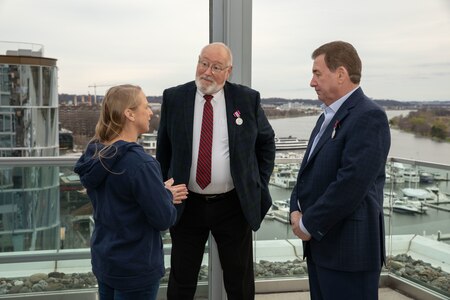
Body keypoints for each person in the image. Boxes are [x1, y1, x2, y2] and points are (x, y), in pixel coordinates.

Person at [156, 42, 276, 299]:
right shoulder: (174, 98)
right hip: (187, 204)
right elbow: (163, 151)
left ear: (228, 71)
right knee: (181, 278)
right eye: (203, 63)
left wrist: (257, 183)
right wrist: (167, 188)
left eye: (216, 67)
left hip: (233, 205)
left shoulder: (247, 99)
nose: (207, 71)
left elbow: (266, 144)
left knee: (239, 280)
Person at [289, 41, 391, 300]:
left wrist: (308, 224)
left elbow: (351, 184)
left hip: (349, 253)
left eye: (317, 73)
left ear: (341, 74)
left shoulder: (369, 117)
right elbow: (308, 171)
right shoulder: (326, 117)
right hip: (321, 248)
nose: (312, 82)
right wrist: (294, 209)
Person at [74, 84, 188, 300]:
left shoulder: (96, 153)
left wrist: (156, 191)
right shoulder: (140, 164)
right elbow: (163, 219)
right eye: (145, 106)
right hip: (135, 268)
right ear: (129, 113)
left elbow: (119, 199)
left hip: (106, 260)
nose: (150, 112)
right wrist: (166, 195)